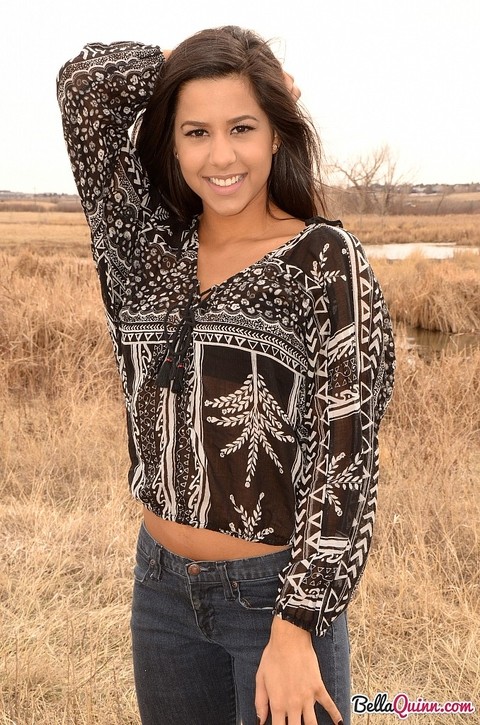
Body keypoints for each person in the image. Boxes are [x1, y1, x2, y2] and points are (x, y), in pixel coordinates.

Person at [57, 25, 395, 725]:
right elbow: (84, 88)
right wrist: (190, 68)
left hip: (273, 595)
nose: (221, 155)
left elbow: (346, 461)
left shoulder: (323, 260)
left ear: (277, 132)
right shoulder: (146, 252)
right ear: (172, 145)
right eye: (195, 132)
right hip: (160, 593)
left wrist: (299, 623)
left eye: (243, 126)